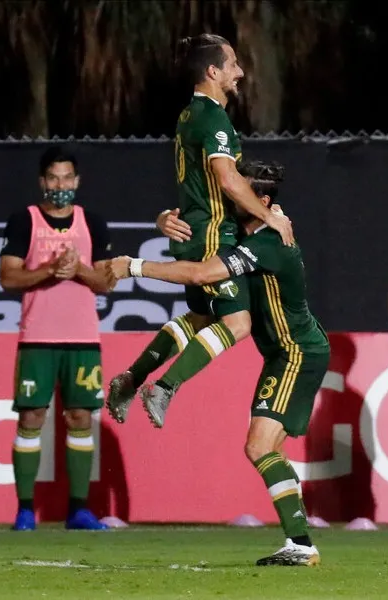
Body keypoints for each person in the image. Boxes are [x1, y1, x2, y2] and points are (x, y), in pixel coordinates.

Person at [106, 160, 327, 566]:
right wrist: (162, 220)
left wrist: (133, 266)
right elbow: (187, 217)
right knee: (268, 447)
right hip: (284, 353)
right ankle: (300, 543)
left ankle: (302, 545)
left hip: (296, 353)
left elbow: (201, 272)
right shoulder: (241, 226)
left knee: (259, 446)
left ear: (260, 201)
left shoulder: (268, 242)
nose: (230, 193)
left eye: (239, 189)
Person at [107, 33, 294, 427]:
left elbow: (201, 180)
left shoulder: (189, 114)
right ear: (213, 71)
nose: (240, 72)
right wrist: (270, 216)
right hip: (213, 235)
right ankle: (164, 387)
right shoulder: (214, 118)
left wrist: (166, 216)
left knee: (201, 319)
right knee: (238, 323)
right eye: (233, 65)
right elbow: (226, 179)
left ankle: (133, 377)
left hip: (197, 228)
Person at [0, 146, 113, 531]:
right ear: (42, 182)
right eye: (53, 178)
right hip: (37, 338)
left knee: (80, 417)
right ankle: (25, 509)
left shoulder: (92, 222)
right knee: (32, 417)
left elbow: (105, 282)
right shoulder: (23, 221)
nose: (60, 185)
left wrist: (76, 268)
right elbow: (8, 278)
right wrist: (49, 269)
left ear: (77, 182)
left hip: (82, 339)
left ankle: (78, 509)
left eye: (67, 178)